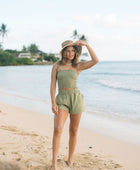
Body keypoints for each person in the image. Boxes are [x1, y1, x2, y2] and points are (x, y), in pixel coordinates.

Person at [50, 39, 99, 170]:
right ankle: (54, 164)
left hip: (76, 98)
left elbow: (95, 60)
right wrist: (53, 102)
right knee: (58, 128)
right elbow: (53, 85)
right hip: (62, 99)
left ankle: (70, 160)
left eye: (73, 50)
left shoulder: (77, 66)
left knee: (74, 130)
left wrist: (87, 45)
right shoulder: (56, 66)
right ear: (63, 52)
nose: (71, 53)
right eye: (68, 50)